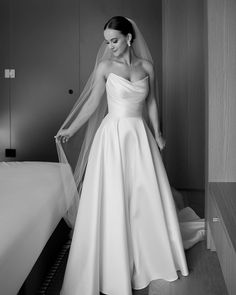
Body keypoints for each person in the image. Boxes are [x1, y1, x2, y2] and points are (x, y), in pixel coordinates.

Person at [55, 16, 191, 295]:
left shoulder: (148, 67)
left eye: (114, 40)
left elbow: (151, 102)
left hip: (139, 136)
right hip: (113, 137)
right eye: (107, 42)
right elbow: (94, 102)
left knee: (143, 196)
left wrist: (159, 132)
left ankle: (148, 254)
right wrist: (70, 128)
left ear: (129, 38)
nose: (110, 47)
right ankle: (112, 258)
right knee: (114, 196)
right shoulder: (105, 67)